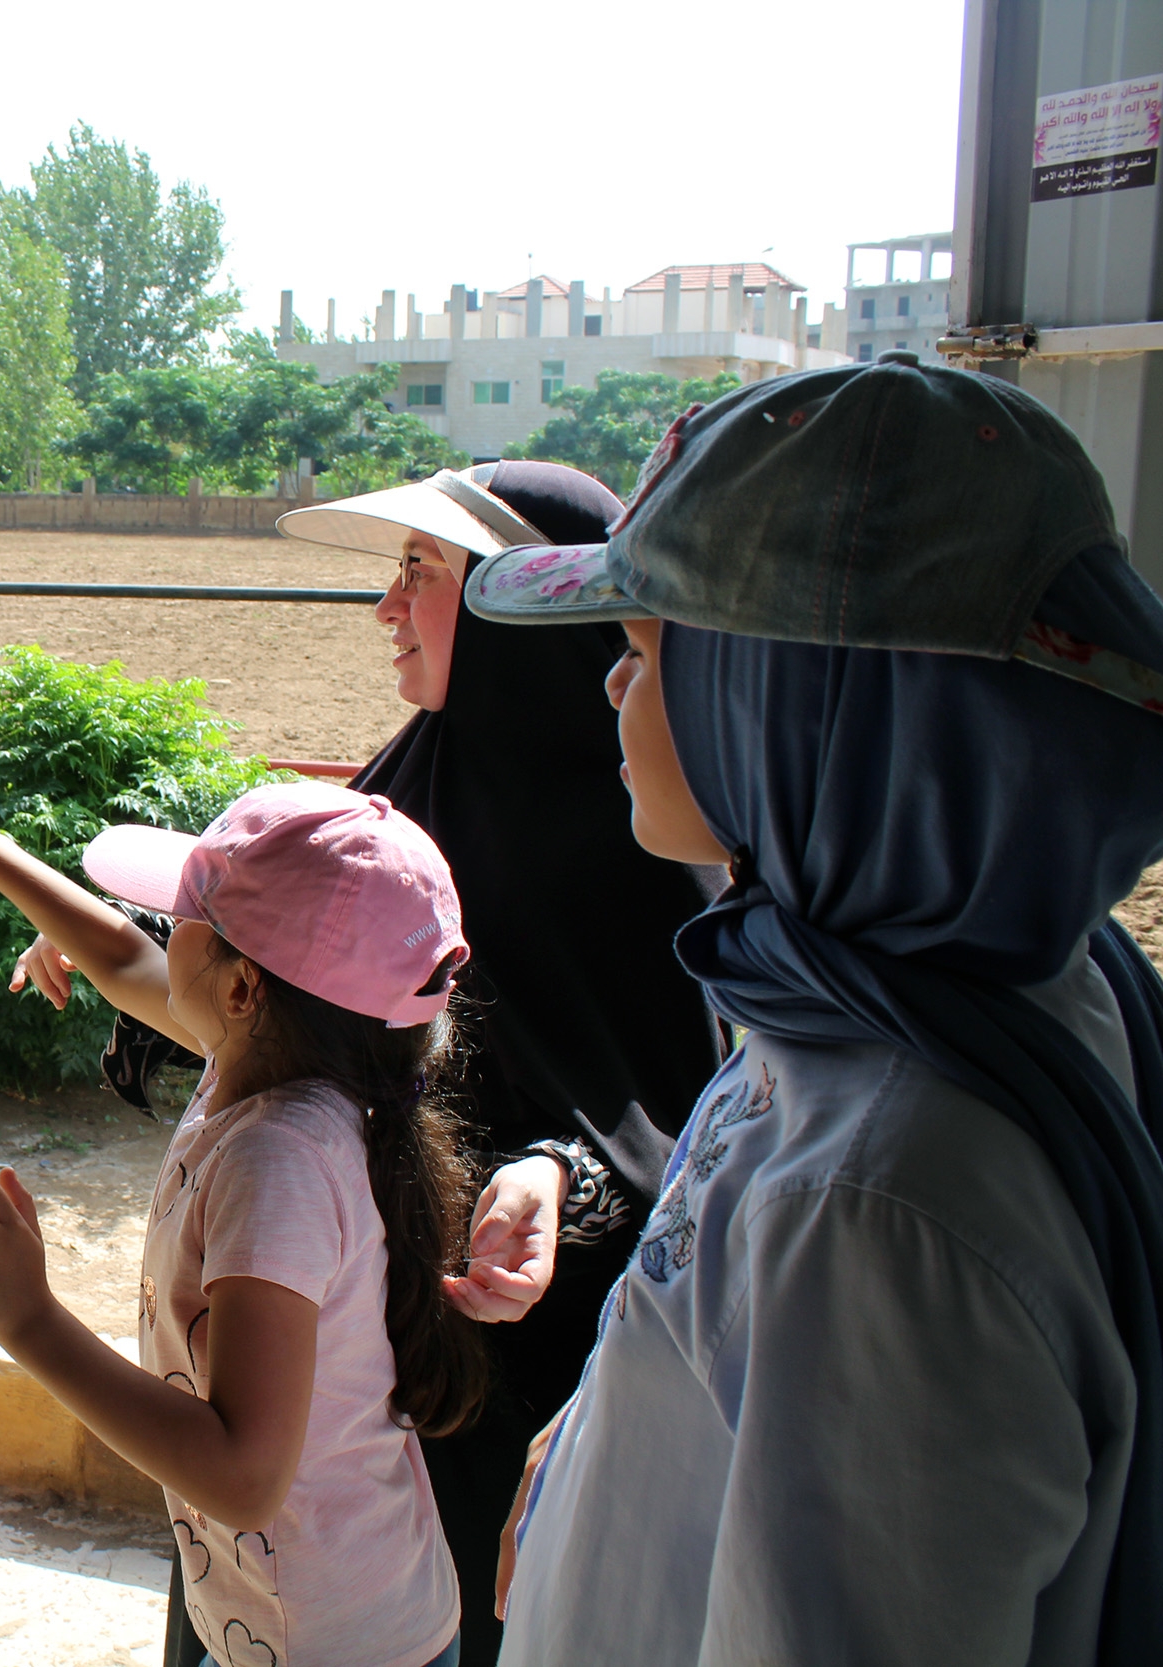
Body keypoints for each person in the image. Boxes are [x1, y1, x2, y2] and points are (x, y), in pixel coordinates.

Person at [464, 351, 1163, 1664]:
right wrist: (605, 1426)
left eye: (646, 645)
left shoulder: (876, 1208)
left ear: (791, 702)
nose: (610, 683)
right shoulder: (900, 985)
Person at [21, 461, 725, 1667]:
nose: (386, 605)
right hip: (322, 1375)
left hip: (490, 1387)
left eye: (421, 570)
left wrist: (561, 1172)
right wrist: (162, 930)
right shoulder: (408, 787)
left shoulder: (637, 838)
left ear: (524, 605)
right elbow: (290, 985)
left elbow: (672, 1117)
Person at [0, 764, 486, 1667]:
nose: (161, 926)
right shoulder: (280, 1060)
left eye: (185, 916)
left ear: (240, 990)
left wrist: (28, 1319)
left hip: (335, 1645)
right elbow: (123, 959)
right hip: (297, 1613)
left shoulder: (278, 1161)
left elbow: (244, 1475)